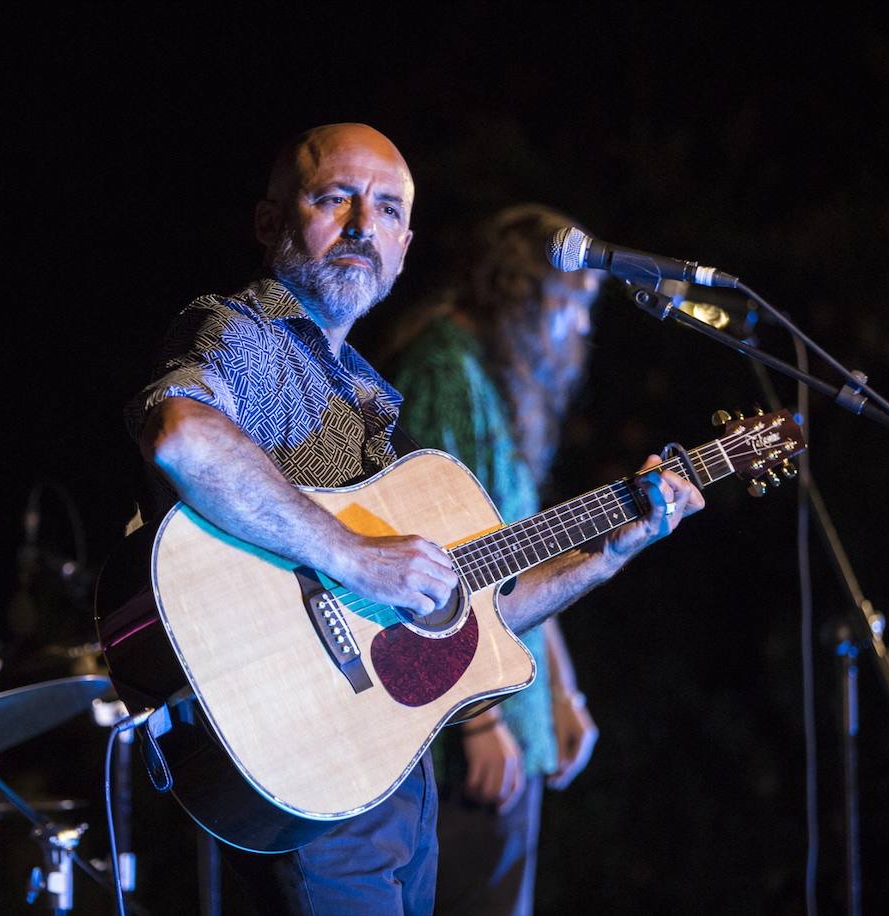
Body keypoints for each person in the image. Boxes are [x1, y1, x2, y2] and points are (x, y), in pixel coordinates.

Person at [125, 123, 703, 915]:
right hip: (307, 765)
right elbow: (182, 437)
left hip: (388, 773)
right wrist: (356, 557)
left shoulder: (365, 393)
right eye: (336, 199)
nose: (364, 226)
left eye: (388, 209)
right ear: (270, 221)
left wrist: (609, 551)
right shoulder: (247, 333)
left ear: (404, 248)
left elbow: (473, 620)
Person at [388, 204, 603, 915]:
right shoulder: (446, 368)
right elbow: (435, 559)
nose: (582, 326)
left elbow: (520, 549)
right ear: (521, 292)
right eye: (572, 301)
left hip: (519, 713)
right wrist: (481, 721)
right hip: (468, 732)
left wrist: (563, 692)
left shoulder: (496, 378)